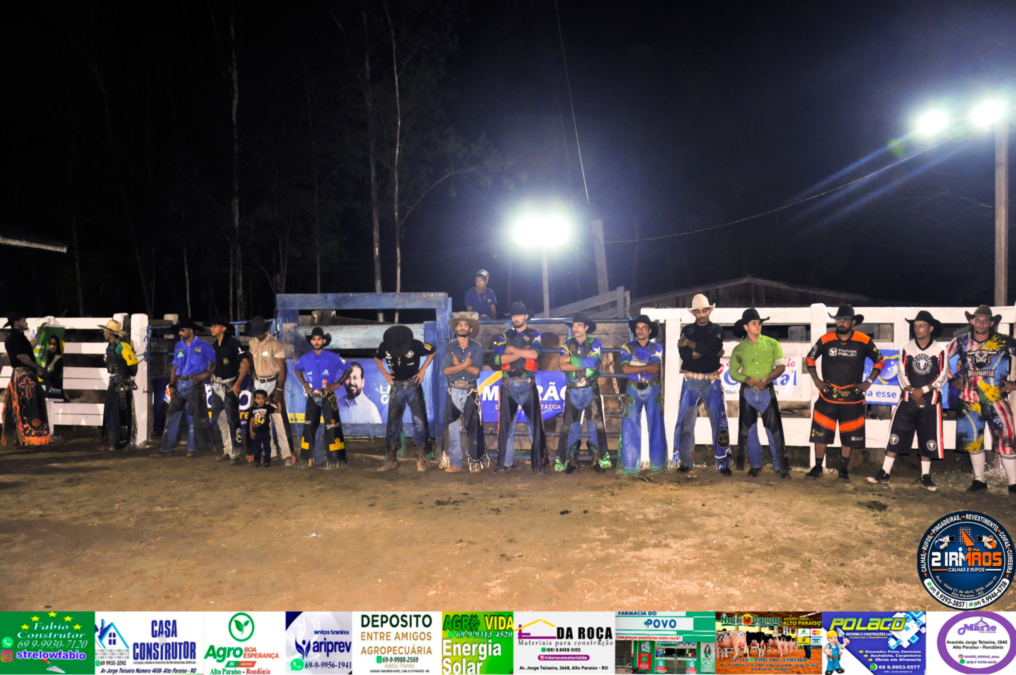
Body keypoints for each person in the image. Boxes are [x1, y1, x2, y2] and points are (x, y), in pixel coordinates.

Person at [869, 310, 948, 490]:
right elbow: (901, 372)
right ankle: (884, 472)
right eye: (916, 326)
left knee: (928, 436)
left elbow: (942, 375)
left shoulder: (940, 349)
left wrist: (923, 391)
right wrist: (913, 391)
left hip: (930, 401)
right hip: (908, 398)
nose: (918, 329)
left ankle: (925, 476)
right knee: (897, 433)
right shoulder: (906, 347)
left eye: (921, 326)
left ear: (930, 328)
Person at [805, 304, 884, 482]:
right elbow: (810, 358)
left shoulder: (864, 340)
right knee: (820, 434)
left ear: (853, 322)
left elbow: (879, 361)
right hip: (827, 396)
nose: (841, 323)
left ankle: (843, 469)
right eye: (839, 319)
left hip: (853, 398)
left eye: (845, 320)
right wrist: (817, 380)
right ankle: (818, 467)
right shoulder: (826, 339)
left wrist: (868, 382)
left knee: (849, 437)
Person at [947, 304, 1016, 493]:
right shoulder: (960, 341)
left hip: (997, 400)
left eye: (986, 320)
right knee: (973, 441)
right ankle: (979, 480)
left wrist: (1014, 384)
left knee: (1006, 441)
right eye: (978, 320)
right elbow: (940, 358)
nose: (981, 323)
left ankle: (1013, 483)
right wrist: (952, 379)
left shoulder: (1005, 341)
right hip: (969, 400)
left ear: (991, 323)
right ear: (972, 321)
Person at [729, 308, 790, 478]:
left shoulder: (772, 343)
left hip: (766, 392)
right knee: (749, 431)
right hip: (748, 392)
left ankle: (779, 465)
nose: (758, 326)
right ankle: (756, 464)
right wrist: (746, 378)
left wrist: (767, 378)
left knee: (774, 430)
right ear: (746, 327)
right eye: (754, 323)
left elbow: (781, 366)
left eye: (759, 323)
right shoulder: (739, 349)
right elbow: (733, 373)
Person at [674, 294, 731, 474]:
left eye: (704, 310)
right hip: (691, 380)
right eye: (698, 311)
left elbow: (712, 349)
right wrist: (710, 351)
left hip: (711, 380)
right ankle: (685, 462)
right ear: (693, 313)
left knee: (719, 422)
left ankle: (723, 463)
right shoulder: (687, 329)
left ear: (709, 311)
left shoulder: (716, 329)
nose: (701, 314)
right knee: (686, 423)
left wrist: (689, 343)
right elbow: (686, 356)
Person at [493, 302, 546, 473]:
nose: (515, 318)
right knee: (506, 427)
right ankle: (504, 463)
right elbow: (498, 360)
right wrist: (523, 352)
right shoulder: (503, 336)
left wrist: (511, 350)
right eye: (513, 315)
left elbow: (535, 354)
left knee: (534, 425)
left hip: (527, 382)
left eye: (518, 315)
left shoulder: (535, 334)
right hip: (508, 384)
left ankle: (537, 464)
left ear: (526, 316)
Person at [375, 325, 437, 472]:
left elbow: (433, 350)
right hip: (396, 385)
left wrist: (422, 370)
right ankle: (391, 458)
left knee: (419, 421)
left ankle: (422, 456)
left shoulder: (415, 344)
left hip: (413, 384)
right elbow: (377, 357)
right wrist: (386, 375)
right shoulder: (385, 346)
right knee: (393, 423)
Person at [152, 317, 215, 458]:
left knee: (193, 416)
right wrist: (172, 385)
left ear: (190, 330)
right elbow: (175, 366)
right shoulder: (178, 345)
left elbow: (215, 363)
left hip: (195, 383)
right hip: (180, 382)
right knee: (172, 415)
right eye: (180, 330)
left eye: (182, 330)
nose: (180, 333)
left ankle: (192, 448)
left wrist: (204, 375)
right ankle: (168, 448)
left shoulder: (204, 346)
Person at [556, 311, 611, 473]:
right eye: (574, 325)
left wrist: (570, 359)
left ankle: (597, 460)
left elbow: (593, 363)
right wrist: (583, 363)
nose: (576, 328)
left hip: (589, 387)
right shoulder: (566, 343)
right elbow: (562, 366)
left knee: (595, 425)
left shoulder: (595, 342)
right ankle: (571, 460)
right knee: (571, 426)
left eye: (579, 325)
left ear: (586, 327)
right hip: (574, 388)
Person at [294, 327, 351, 469]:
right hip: (312, 394)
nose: (316, 341)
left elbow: (348, 368)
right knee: (308, 427)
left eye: (319, 339)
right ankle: (306, 460)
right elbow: (297, 369)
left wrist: (338, 383)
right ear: (311, 341)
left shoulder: (333, 357)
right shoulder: (305, 358)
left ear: (324, 341)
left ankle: (336, 461)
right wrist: (304, 383)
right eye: (314, 339)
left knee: (332, 426)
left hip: (328, 394)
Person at [440, 313, 487, 473]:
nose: (462, 327)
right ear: (455, 328)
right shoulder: (449, 347)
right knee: (452, 429)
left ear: (470, 329)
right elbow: (446, 371)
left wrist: (458, 365)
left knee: (474, 426)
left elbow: (476, 371)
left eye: (465, 325)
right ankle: (456, 463)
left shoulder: (476, 347)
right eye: (459, 325)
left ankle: (475, 462)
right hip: (454, 389)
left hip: (470, 389)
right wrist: (465, 364)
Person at [619, 315, 666, 473]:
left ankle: (658, 467)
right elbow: (626, 369)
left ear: (649, 330)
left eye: (644, 328)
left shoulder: (657, 347)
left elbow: (655, 368)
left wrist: (635, 364)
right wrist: (647, 366)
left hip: (652, 387)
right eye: (637, 328)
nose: (640, 331)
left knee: (656, 426)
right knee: (630, 426)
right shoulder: (627, 346)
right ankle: (630, 467)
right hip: (633, 388)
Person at [247, 316, 293, 465]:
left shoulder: (275, 343)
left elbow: (282, 367)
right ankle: (270, 451)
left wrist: (279, 388)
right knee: (261, 420)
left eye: (260, 332)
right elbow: (251, 358)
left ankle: (286, 453)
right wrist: (253, 371)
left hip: (273, 383)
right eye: (256, 332)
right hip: (259, 384)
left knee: (278, 419)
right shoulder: (252, 343)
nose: (258, 335)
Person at [2, 312, 51, 446]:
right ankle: (31, 436)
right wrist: (38, 367)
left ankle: (20, 437)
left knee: (19, 406)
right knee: (30, 405)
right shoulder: (17, 338)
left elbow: (30, 346)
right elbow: (21, 356)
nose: (26, 323)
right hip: (26, 376)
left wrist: (40, 332)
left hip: (18, 375)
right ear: (16, 323)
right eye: (24, 321)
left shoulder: (13, 338)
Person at [100, 319, 139, 450]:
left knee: (117, 412)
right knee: (112, 412)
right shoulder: (112, 346)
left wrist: (128, 375)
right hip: (115, 382)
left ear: (110, 333)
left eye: (105, 331)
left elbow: (133, 364)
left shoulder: (122, 346)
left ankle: (117, 441)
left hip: (120, 383)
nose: (104, 333)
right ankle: (113, 440)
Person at [248, 389, 276, 467]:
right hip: (256, 432)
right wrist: (251, 431)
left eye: (263, 398)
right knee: (257, 447)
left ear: (266, 399)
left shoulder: (268, 407)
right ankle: (257, 461)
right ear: (255, 399)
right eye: (258, 398)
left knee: (267, 447)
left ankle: (266, 461)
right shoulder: (253, 408)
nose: (260, 400)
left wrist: (277, 403)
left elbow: (278, 410)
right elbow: (251, 421)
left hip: (265, 431)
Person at [43, 334, 65, 400]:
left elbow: (55, 376)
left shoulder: (60, 359)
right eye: (50, 344)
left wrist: (44, 373)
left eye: (54, 344)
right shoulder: (45, 358)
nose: (52, 346)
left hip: (56, 391)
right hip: (45, 390)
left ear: (57, 346)